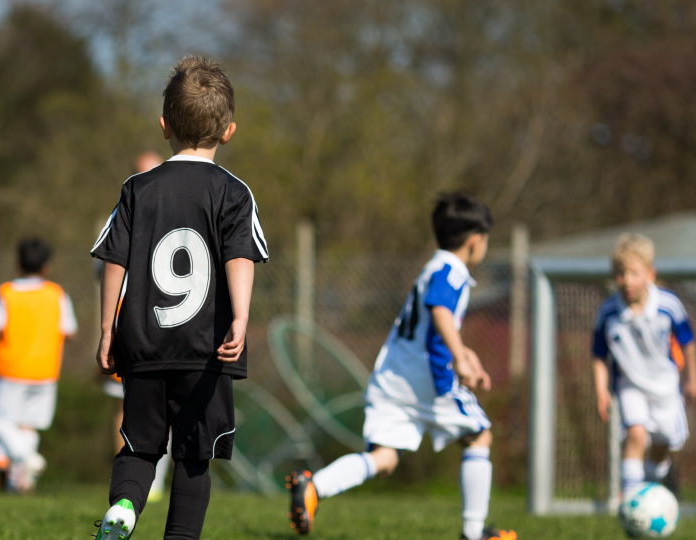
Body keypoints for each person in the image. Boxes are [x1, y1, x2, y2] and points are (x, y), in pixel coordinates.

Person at [90, 56, 268, 540]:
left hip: (144, 343)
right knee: (195, 456)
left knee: (139, 446)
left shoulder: (137, 189)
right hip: (205, 351)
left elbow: (114, 261)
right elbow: (239, 257)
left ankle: (125, 506)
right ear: (229, 131)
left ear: (164, 124)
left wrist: (108, 328)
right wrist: (242, 318)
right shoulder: (234, 193)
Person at [286, 192, 516, 540]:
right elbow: (440, 311)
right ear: (475, 241)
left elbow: (436, 323)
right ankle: (474, 533)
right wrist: (457, 356)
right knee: (479, 436)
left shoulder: (432, 267)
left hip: (392, 375)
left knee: (384, 459)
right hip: (429, 379)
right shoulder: (452, 272)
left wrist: (464, 353)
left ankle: (313, 486)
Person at [592, 233, 696, 498]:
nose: (626, 280)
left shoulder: (669, 305)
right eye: (620, 273)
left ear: (650, 274)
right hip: (629, 385)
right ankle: (630, 499)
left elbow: (688, 342)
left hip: (665, 385)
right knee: (636, 435)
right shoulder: (607, 312)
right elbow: (598, 355)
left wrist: (692, 377)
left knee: (663, 443)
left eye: (634, 273)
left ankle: (651, 487)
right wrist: (601, 390)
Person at [99, 150, 173, 503]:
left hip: (169, 329)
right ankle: (128, 481)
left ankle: (148, 486)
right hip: (133, 328)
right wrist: (108, 329)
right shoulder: (124, 210)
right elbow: (108, 270)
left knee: (171, 410)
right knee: (126, 410)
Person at [0, 237, 78, 492]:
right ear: (47, 267)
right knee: (28, 424)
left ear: (17, 264)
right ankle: (22, 483)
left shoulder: (5, 292)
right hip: (46, 370)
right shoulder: (57, 294)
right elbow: (69, 331)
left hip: (11, 368)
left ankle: (27, 458)